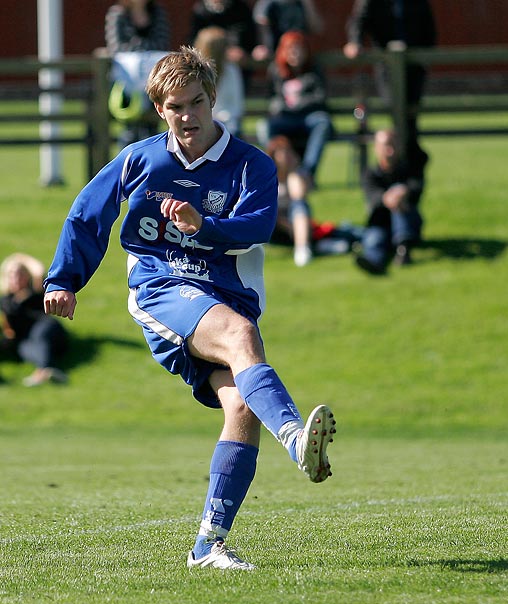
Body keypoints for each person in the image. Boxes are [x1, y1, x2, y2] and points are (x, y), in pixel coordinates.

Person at [43, 46, 337, 570]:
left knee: (242, 406)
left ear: (212, 99)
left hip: (225, 293)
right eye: (175, 107)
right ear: (160, 109)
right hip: (162, 288)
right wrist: (65, 279)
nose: (188, 116)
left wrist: (205, 226)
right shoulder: (142, 159)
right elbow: (88, 214)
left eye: (196, 103)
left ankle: (209, 545)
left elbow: (256, 225)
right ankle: (294, 437)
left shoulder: (252, 165)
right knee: (242, 336)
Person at [343, 0, 436, 177]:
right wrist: (355, 42)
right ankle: (412, 159)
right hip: (386, 65)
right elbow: (358, 21)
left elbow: (429, 28)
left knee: (410, 114)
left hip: (414, 66)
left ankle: (408, 160)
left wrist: (424, 58)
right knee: (395, 109)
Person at [257, 30, 334, 182]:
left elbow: (320, 97)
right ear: (284, 52)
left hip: (308, 117)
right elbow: (272, 98)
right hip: (285, 119)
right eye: (291, 49)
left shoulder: (314, 69)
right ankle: (275, 170)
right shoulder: (276, 70)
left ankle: (307, 171)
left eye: (299, 49)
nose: (296, 53)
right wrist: (282, 107)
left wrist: (297, 104)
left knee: (323, 122)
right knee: (263, 126)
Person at [354, 128, 424, 275]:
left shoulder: (409, 169)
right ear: (377, 148)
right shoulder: (370, 174)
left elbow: (417, 188)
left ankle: (403, 248)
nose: (390, 150)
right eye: (386, 145)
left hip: (409, 223)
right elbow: (373, 197)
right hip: (380, 223)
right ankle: (373, 261)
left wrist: (403, 192)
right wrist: (387, 198)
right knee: (374, 239)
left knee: (399, 201)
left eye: (394, 145)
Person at [105, 0, 171, 147]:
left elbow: (162, 43)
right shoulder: (117, 13)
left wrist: (139, 50)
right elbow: (116, 46)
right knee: (129, 130)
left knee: (153, 129)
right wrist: (144, 51)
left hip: (153, 79)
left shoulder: (157, 12)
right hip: (126, 83)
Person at [0, 254, 68, 387]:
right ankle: (46, 371)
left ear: (27, 276)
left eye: (20, 274)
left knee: (40, 336)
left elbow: (38, 268)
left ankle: (44, 370)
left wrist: (17, 259)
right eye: (12, 275)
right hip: (25, 338)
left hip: (46, 327)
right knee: (25, 349)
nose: (16, 279)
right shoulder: (5, 301)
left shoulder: (35, 290)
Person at [188, 0, 260, 89]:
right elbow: (194, 42)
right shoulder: (200, 11)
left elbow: (250, 38)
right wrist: (223, 53)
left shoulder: (241, 8)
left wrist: (249, 51)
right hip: (209, 69)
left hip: (239, 68)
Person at [266, 135, 314, 266]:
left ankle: (302, 249)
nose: (286, 156)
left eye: (289, 152)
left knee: (299, 205)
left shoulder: (299, 175)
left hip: (296, 225)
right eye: (282, 153)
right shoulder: (267, 178)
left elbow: (298, 196)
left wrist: (292, 171)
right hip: (275, 228)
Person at [194, 26, 245, 137]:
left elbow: (236, 106)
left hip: (229, 127)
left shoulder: (231, 70)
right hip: (200, 126)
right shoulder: (194, 73)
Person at [252, 0, 324, 60]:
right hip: (278, 56)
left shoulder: (301, 3)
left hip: (302, 56)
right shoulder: (267, 4)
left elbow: (317, 28)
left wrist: (308, 6)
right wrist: (263, 46)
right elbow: (262, 25)